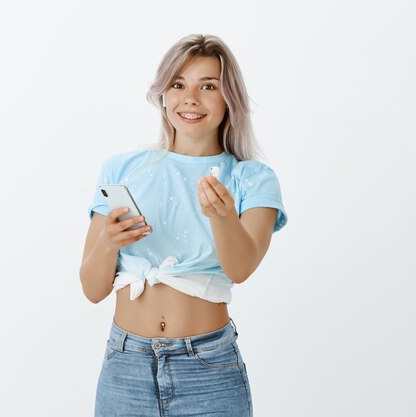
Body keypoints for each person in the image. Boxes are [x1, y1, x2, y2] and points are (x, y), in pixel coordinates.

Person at [79, 33, 288, 417]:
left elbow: (240, 269)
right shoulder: (121, 169)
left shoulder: (252, 179)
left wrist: (223, 217)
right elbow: (92, 290)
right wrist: (108, 244)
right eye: (178, 85)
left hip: (207, 369)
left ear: (230, 99)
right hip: (126, 367)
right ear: (163, 94)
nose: (190, 98)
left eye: (208, 86)